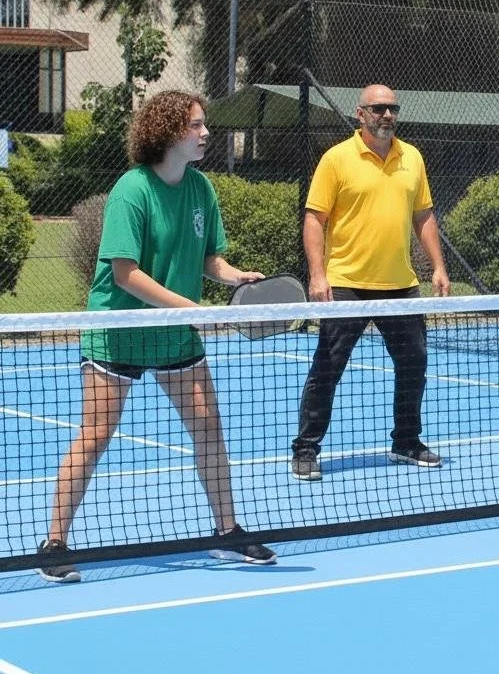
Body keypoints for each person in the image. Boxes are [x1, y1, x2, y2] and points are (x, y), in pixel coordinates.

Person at [36, 91, 276, 583]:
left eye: (203, 124)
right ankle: (53, 542)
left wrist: (233, 277)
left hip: (174, 335)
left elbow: (209, 257)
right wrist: (193, 309)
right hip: (118, 333)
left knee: (209, 426)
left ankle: (226, 532)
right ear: (168, 132)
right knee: (96, 435)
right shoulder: (132, 190)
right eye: (195, 125)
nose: (206, 132)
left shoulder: (201, 189)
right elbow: (125, 274)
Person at [291, 84, 450, 480]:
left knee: (413, 365)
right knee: (327, 368)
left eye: (393, 108)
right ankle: (306, 450)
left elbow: (424, 215)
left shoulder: (411, 157)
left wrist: (439, 267)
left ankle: (406, 442)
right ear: (360, 114)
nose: (387, 115)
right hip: (347, 284)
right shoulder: (336, 159)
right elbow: (315, 218)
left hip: (400, 285)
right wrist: (318, 273)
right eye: (379, 108)